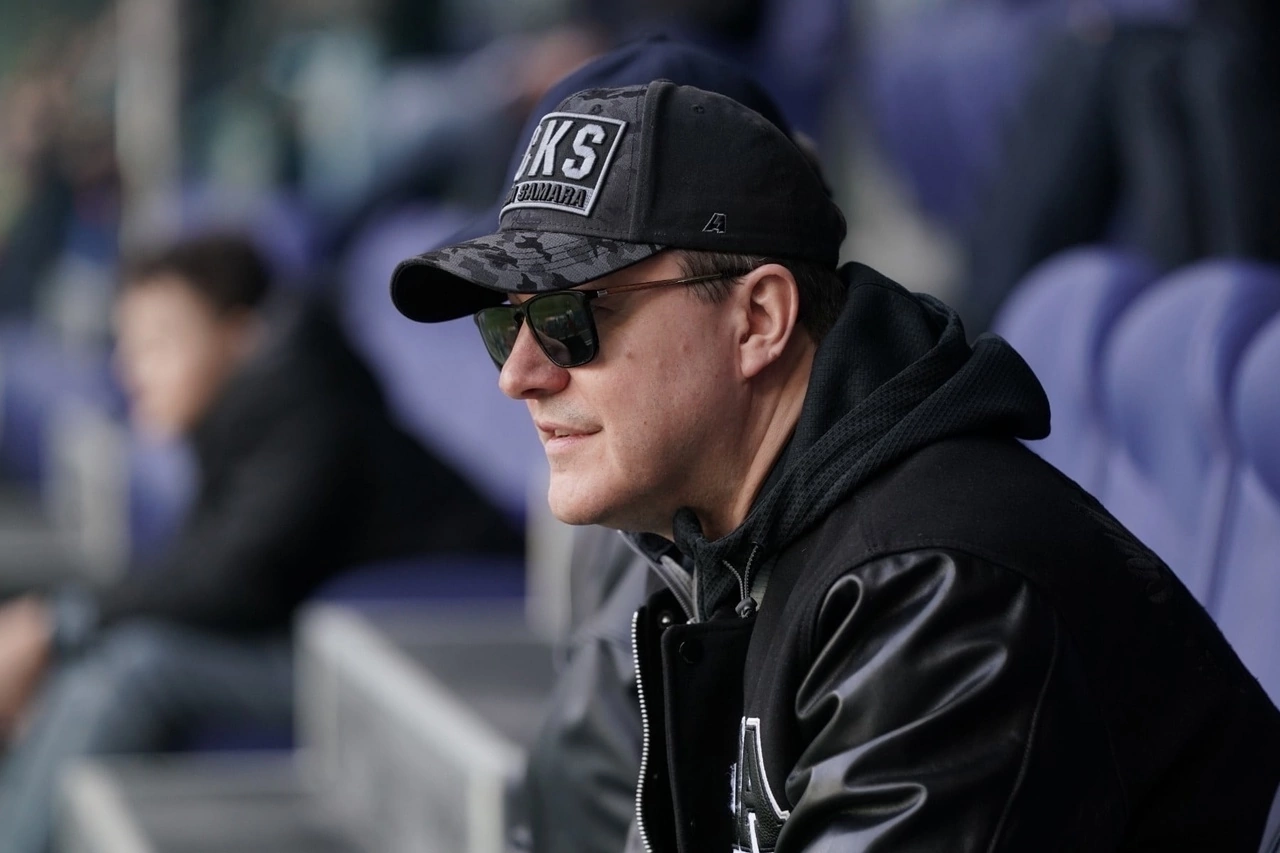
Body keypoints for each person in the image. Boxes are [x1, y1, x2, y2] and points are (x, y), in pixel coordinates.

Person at [390, 81, 1280, 851]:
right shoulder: (729, 543)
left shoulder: (935, 589)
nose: (519, 374)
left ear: (759, 321)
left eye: (570, 320)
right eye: (505, 324)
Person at [0, 233, 520, 853]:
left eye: (158, 344)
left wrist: (58, 625)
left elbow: (232, 579)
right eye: (126, 345)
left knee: (134, 666)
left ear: (240, 335)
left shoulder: (309, 410)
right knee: (110, 653)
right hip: (326, 629)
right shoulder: (251, 409)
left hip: (436, 645)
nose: (128, 370)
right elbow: (202, 566)